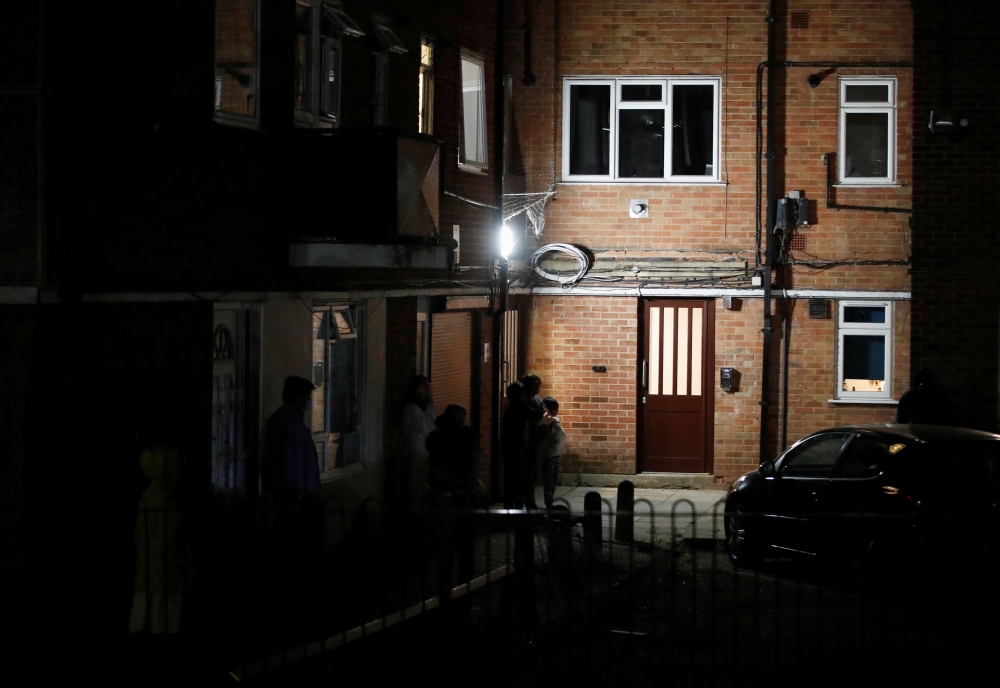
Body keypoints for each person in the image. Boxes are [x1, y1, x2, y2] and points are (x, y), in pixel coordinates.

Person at [261, 376, 323, 626]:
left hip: (300, 492)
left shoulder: (294, 419)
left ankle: (294, 591)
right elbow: (274, 457)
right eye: (307, 396)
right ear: (297, 396)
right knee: (289, 541)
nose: (309, 401)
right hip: (290, 493)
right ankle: (285, 595)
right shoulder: (283, 420)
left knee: (298, 542)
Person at [129, 445, 193, 634]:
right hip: (167, 576)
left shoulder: (146, 497)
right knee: (164, 625)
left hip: (147, 572)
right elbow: (168, 543)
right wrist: (183, 563)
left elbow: (139, 536)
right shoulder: (166, 500)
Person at [426, 405, 476, 605]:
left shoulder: (458, 437)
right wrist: (462, 482)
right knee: (456, 541)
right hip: (450, 493)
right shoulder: (441, 439)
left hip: (451, 493)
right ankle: (457, 583)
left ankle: (456, 583)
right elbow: (436, 468)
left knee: (455, 541)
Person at [401, 375, 437, 515]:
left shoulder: (427, 406)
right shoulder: (411, 408)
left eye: (428, 386)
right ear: (415, 389)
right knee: (416, 489)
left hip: (425, 453)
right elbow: (426, 427)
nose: (427, 389)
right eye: (424, 386)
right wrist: (429, 406)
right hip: (416, 452)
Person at [521, 374, 554, 508]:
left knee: (534, 474)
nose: (537, 388)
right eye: (535, 385)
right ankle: (527, 502)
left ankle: (530, 501)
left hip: (539, 444)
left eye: (539, 385)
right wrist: (541, 421)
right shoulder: (524, 404)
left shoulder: (538, 401)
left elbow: (549, 417)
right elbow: (532, 423)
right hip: (528, 444)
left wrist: (541, 421)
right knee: (528, 474)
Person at [501, 382, 529, 509]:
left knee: (510, 480)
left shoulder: (510, 409)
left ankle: (509, 508)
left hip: (509, 447)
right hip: (517, 447)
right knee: (519, 480)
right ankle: (517, 509)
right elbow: (537, 415)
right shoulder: (521, 407)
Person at [540, 397, 567, 509]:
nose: (553, 411)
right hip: (549, 455)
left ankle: (550, 500)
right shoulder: (548, 422)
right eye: (550, 409)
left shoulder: (555, 420)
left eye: (554, 409)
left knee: (553, 479)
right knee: (549, 480)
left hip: (556, 454)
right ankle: (548, 502)